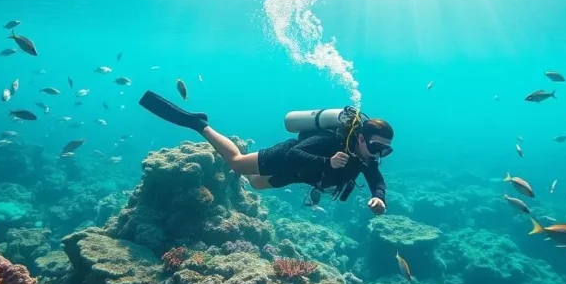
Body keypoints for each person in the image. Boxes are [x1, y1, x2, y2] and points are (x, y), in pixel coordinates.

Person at [138, 91, 392, 214]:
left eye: (384, 150)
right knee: (236, 164)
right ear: (360, 138)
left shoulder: (367, 158)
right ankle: (199, 123)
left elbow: (376, 180)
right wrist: (328, 162)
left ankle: (249, 158)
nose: (378, 154)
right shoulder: (330, 140)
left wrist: (379, 197)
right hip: (286, 157)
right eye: (375, 146)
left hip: (299, 175)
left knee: (256, 185)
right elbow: (295, 153)